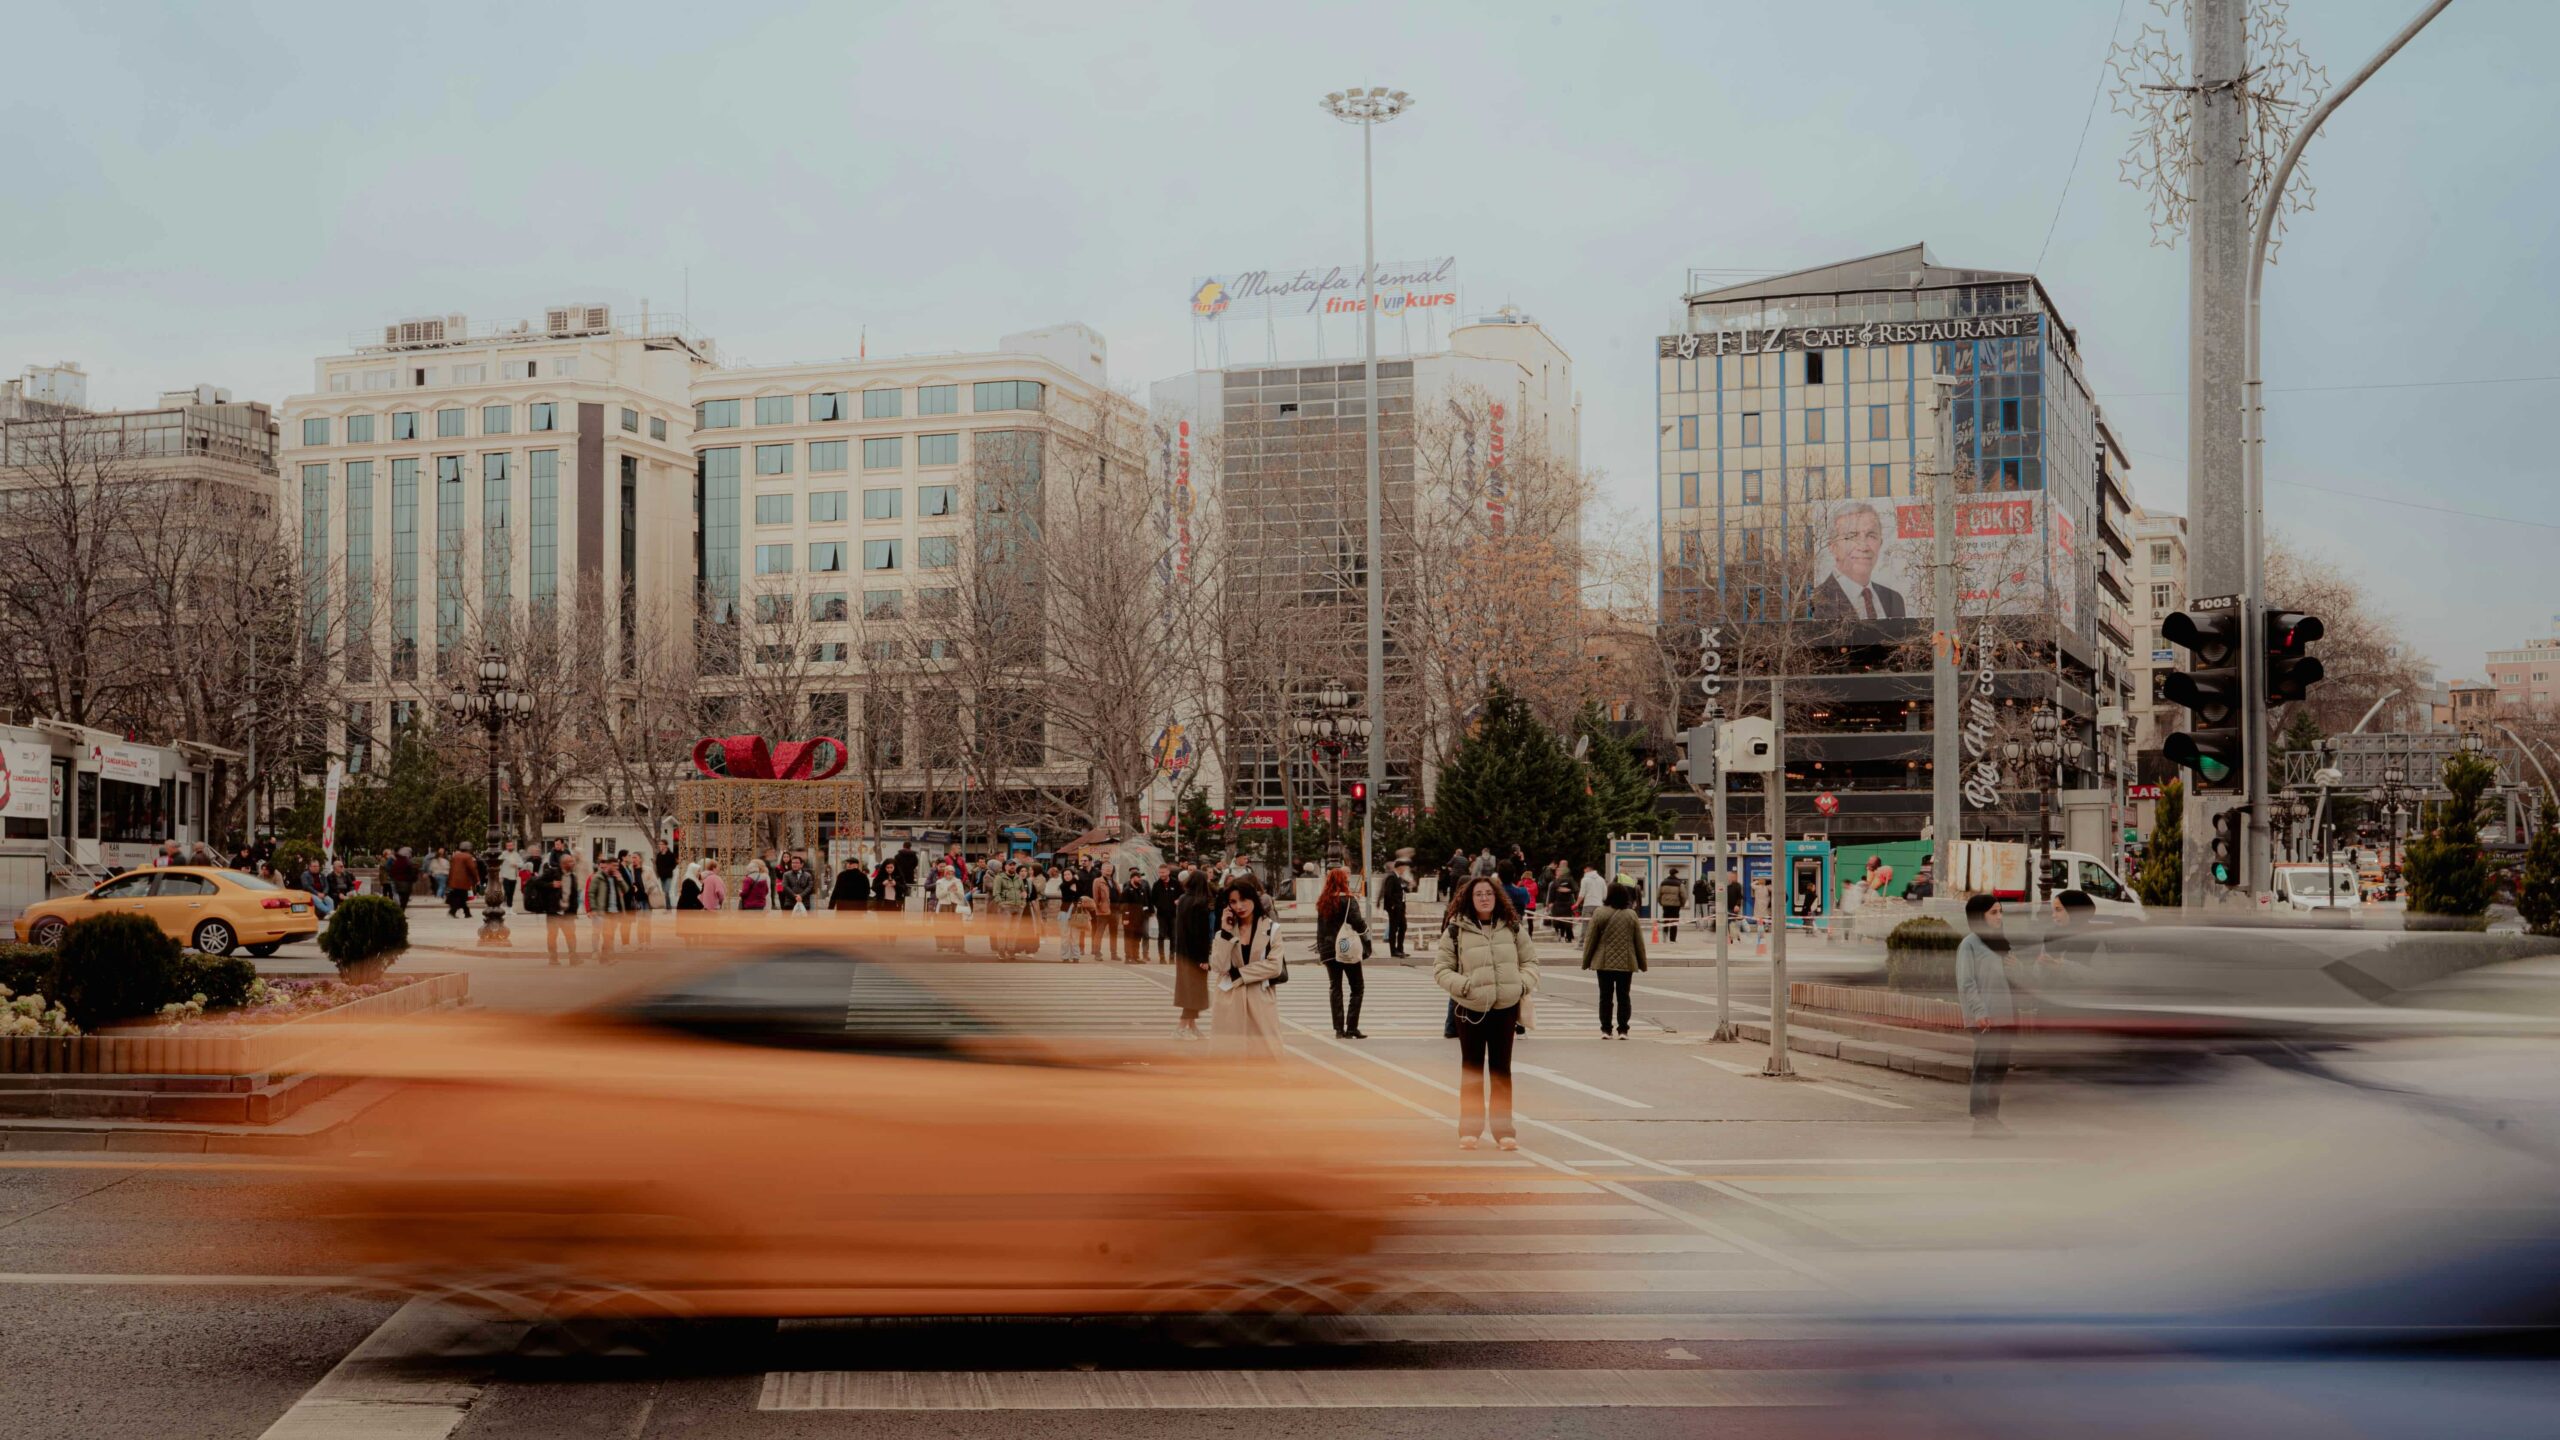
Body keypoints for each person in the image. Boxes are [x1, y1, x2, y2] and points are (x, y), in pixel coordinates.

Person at [1437, 875, 1538, 1151]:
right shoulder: (1456, 929)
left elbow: (1530, 961)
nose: (1484, 898)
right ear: (1470, 898)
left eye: (1489, 894)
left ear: (1497, 897)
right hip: (1469, 1009)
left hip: (1504, 1008)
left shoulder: (1512, 927)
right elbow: (1442, 969)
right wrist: (1464, 986)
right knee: (1471, 1070)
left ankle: (1504, 1130)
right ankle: (1469, 1129)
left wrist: (1522, 984)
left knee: (1501, 1071)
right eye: (1479, 894)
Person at [1956, 893, 2017, 1135]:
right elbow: (1966, 982)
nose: (1999, 917)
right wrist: (1979, 1012)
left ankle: (1992, 1117)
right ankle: (1981, 1119)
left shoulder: (2000, 943)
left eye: (2000, 912)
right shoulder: (1970, 944)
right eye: (1993, 912)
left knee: (1999, 1068)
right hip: (1985, 1018)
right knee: (1985, 1069)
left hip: (2004, 1016)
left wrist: (2017, 969)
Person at [1207, 876, 1285, 1059]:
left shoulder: (1272, 929)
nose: (1239, 906)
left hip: (1259, 998)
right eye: (1233, 902)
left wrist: (1238, 973)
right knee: (1229, 1057)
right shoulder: (1224, 932)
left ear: (1253, 900)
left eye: (1243, 900)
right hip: (1229, 1000)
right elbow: (1218, 965)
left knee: (1266, 1055)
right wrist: (1225, 932)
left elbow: (1274, 967)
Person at [1808, 500, 1906, 621]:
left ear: (1880, 543)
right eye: (1852, 536)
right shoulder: (1819, 601)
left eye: (1871, 535)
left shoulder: (1895, 600)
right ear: (1833, 547)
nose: (1863, 546)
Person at [1580, 881, 1649, 1039]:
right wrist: (1642, 963)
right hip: (1626, 962)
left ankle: (1606, 1029)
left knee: (1605, 997)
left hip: (1603, 963)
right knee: (1624, 996)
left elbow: (1591, 940)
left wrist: (1586, 961)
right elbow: (1639, 942)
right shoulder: (1631, 915)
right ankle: (1623, 1030)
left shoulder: (1599, 913)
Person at [1314, 865, 1370, 1040]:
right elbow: (1358, 923)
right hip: (1347, 947)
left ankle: (1338, 1029)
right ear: (1343, 881)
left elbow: (1320, 929)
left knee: (1335, 987)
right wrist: (1366, 934)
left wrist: (1321, 948)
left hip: (1328, 949)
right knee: (1357, 987)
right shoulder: (1348, 900)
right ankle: (1352, 1027)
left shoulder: (1323, 901)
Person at [1171, 869, 1215, 1040]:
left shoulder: (1182, 900)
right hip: (1196, 954)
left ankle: (1192, 1026)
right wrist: (1204, 958)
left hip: (1183, 951)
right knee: (1194, 992)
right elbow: (1202, 934)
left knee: (1190, 990)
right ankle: (1181, 1027)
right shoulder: (1201, 903)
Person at [1379, 860, 1411, 958]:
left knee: (1403, 927)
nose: (1405, 869)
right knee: (1393, 929)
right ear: (1399, 867)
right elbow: (1388, 893)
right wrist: (1393, 905)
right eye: (1404, 867)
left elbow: (1406, 890)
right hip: (1394, 908)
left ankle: (1400, 949)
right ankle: (1393, 951)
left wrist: (1406, 884)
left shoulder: (1399, 878)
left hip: (1401, 907)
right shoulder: (1391, 877)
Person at [1150, 864, 1182, 964]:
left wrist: (1178, 900)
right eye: (1160, 872)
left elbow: (1182, 895)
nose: (1161, 874)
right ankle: (1162, 957)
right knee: (1161, 935)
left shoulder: (1176, 883)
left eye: (1163, 872)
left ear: (1168, 872)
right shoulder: (1156, 884)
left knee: (1173, 935)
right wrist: (1159, 906)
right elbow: (1153, 899)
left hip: (1173, 914)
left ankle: (1172, 956)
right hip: (1161, 914)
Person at [445, 844, 480, 918]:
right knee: (461, 897)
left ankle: (466, 913)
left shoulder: (455, 856)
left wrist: (449, 879)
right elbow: (472, 868)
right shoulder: (468, 856)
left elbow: (451, 868)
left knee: (460, 896)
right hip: (463, 881)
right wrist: (476, 879)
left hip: (455, 880)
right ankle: (454, 911)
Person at [1655, 868, 1686, 942]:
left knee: (1666, 921)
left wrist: (1661, 902)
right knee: (1674, 922)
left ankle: (1665, 937)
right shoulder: (1679, 883)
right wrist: (1682, 904)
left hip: (1665, 905)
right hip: (1675, 906)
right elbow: (1683, 895)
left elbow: (1658, 895)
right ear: (1676, 874)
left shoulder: (1663, 883)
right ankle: (1672, 939)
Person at [653, 841, 679, 908]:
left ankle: (668, 906)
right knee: (664, 892)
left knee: (667, 891)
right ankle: (667, 905)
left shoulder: (671, 854)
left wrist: (669, 870)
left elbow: (674, 864)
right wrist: (659, 872)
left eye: (661, 844)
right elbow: (657, 864)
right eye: (659, 844)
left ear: (666, 845)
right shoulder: (659, 855)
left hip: (668, 875)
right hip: (662, 876)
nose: (660, 846)